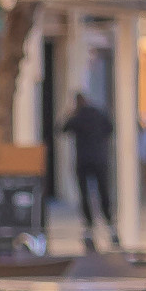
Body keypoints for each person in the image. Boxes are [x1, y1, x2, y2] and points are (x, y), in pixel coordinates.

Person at [64, 81, 116, 241]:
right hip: (99, 158)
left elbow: (63, 128)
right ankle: (109, 222)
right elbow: (110, 129)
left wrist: (69, 114)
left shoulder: (77, 117)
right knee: (103, 191)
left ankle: (89, 225)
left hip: (83, 160)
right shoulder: (98, 114)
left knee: (84, 193)